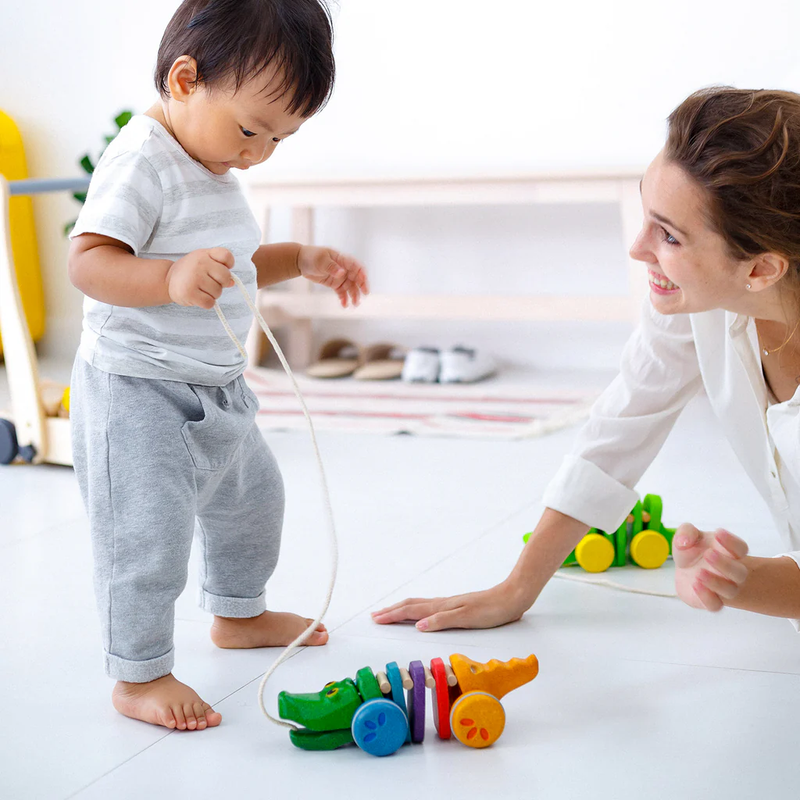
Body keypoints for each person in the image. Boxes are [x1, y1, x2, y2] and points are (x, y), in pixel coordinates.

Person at [373, 86, 800, 634]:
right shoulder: (697, 299)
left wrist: (742, 580)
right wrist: (517, 587)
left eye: (669, 235)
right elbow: (621, 426)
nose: (638, 247)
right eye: (647, 212)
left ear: (761, 270)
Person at [68, 0, 368, 732]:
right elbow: (89, 262)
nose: (258, 152)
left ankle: (238, 613)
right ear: (184, 79)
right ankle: (138, 674)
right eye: (250, 129)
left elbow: (230, 266)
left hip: (215, 386)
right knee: (148, 536)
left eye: (279, 138)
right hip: (138, 388)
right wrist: (168, 279)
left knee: (253, 503)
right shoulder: (142, 160)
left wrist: (296, 259)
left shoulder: (214, 164)